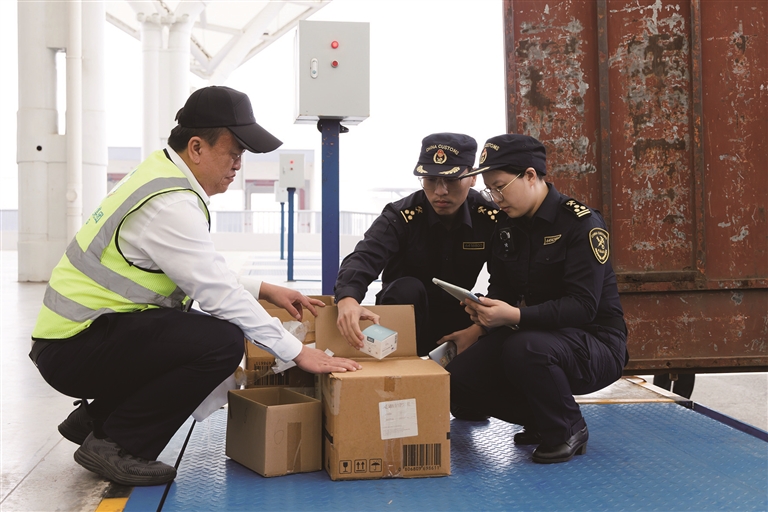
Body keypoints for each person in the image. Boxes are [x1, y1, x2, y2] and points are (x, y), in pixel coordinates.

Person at [29, 85, 361, 487]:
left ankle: (95, 419)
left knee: (190, 334)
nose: (238, 165)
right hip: (76, 348)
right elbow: (217, 293)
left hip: (77, 339)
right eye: (233, 152)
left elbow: (195, 269)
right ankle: (117, 443)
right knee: (218, 342)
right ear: (197, 147)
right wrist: (298, 352)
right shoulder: (170, 204)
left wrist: (263, 288)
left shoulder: (161, 177)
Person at [445, 134, 629, 464]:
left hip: (596, 342)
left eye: (500, 187)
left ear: (530, 176)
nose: (496, 198)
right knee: (458, 378)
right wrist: (479, 321)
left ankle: (567, 428)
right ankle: (540, 420)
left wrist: (514, 317)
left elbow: (583, 307)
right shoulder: (506, 225)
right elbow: (502, 289)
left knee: (525, 347)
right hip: (538, 336)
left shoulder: (581, 223)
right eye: (489, 190)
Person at [334, 133, 500, 356]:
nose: (440, 191)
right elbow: (365, 256)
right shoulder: (402, 216)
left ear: (472, 178)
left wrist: (479, 330)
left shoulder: (489, 218)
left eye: (451, 180)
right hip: (402, 317)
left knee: (480, 305)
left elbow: (505, 281)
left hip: (459, 322)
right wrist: (347, 299)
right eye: (430, 180)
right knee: (407, 288)